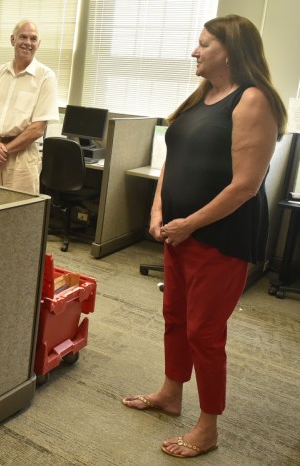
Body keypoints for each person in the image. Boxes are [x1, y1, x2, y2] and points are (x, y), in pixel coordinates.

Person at [121, 15, 286, 458]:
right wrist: (158, 208)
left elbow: (245, 186)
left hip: (221, 235)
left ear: (229, 50)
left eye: (203, 44)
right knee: (175, 318)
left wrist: (191, 222)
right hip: (179, 231)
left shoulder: (254, 100)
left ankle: (208, 426)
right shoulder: (203, 97)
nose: (194, 52)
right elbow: (171, 161)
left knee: (206, 333)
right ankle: (171, 394)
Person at [0, 20, 59, 194]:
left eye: (33, 39)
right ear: (13, 40)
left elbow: (37, 129)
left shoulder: (45, 77)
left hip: (22, 157)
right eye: (23, 37)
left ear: (38, 44)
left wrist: (1, 151)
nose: (28, 43)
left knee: (19, 215)